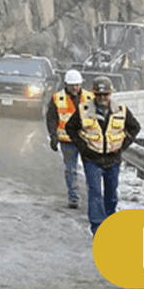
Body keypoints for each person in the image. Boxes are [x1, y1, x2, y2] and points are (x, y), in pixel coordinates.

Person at [65, 75, 141, 235]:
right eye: (98, 95)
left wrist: (123, 145)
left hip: (113, 159)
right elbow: (70, 128)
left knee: (111, 195)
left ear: (110, 94)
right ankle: (97, 228)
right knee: (95, 193)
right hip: (92, 159)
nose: (102, 98)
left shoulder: (122, 111)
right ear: (94, 94)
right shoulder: (84, 111)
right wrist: (83, 147)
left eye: (105, 94)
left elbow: (135, 127)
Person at [44, 69, 92, 209]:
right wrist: (53, 136)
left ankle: (93, 198)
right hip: (67, 141)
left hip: (86, 141)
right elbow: (51, 119)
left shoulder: (90, 98)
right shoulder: (57, 99)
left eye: (77, 85)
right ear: (66, 85)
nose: (75, 88)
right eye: (72, 85)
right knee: (71, 170)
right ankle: (73, 198)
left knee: (91, 170)